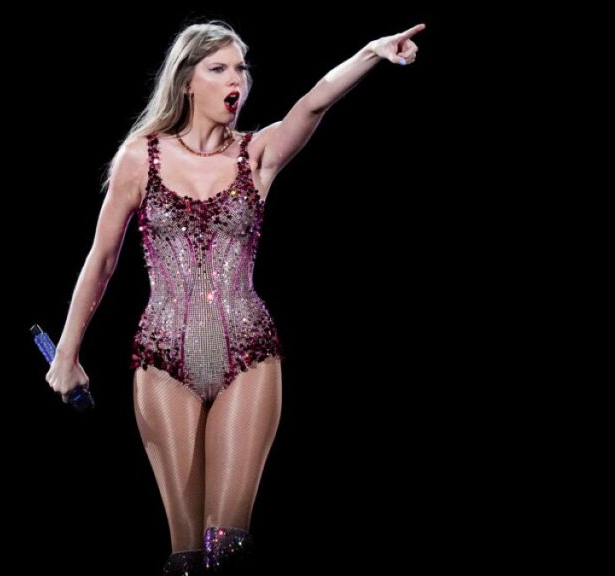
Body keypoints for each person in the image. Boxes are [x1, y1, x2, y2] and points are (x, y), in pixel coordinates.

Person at [45, 20, 424, 575]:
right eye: (219, 68)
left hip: (247, 353)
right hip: (162, 360)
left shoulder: (257, 153)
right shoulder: (139, 157)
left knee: (226, 548)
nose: (237, 81)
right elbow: (100, 261)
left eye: (241, 69)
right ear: (187, 81)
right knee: (187, 555)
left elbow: (313, 104)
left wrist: (370, 53)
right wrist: (66, 353)